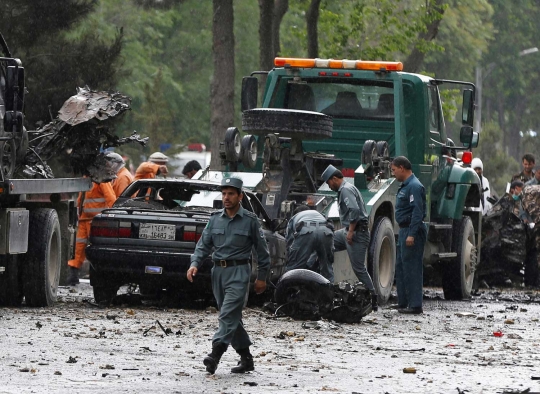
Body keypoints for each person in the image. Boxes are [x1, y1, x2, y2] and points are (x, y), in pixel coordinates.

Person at [187, 177, 270, 375]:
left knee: (227, 314)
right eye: (224, 193)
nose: (226, 197)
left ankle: (215, 355)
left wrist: (262, 277)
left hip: (239, 272)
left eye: (231, 194)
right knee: (231, 317)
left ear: (240, 196)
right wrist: (194, 264)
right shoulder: (215, 218)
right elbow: (203, 245)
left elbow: (262, 251)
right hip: (218, 273)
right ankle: (246, 358)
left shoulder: (250, 220)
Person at [321, 164, 378, 311]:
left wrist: (351, 232)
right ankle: (327, 283)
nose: (329, 186)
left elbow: (354, 210)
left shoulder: (345, 189)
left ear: (334, 179)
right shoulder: (345, 188)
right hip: (348, 230)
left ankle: (373, 297)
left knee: (359, 268)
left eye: (329, 182)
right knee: (327, 242)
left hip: (357, 233)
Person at [391, 156, 427, 315]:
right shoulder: (406, 185)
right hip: (404, 230)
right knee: (401, 266)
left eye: (393, 170)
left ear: (402, 168)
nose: (393, 174)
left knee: (412, 267)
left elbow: (418, 212)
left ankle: (415, 305)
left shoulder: (414, 186)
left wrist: (412, 234)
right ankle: (403, 302)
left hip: (413, 230)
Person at [67, 181, 117, 285]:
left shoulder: (101, 180)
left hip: (96, 220)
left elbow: (110, 197)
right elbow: (81, 198)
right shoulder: (87, 179)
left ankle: (100, 275)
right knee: (78, 247)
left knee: (97, 247)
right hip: (84, 219)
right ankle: (73, 274)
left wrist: (115, 212)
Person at [285, 205, 334, 282]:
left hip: (306, 230)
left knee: (294, 269)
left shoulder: (294, 218)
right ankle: (329, 290)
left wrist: (290, 259)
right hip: (326, 231)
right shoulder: (319, 214)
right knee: (327, 269)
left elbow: (289, 243)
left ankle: (291, 290)